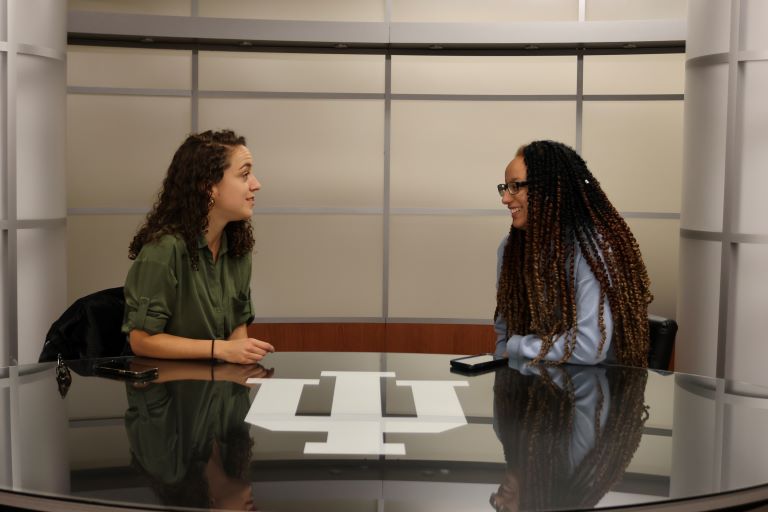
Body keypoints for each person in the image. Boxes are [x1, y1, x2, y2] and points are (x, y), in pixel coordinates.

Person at [494, 140, 652, 366]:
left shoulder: (592, 250)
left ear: (548, 189)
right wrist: (503, 374)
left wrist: (518, 346)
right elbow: (504, 331)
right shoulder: (510, 249)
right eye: (505, 187)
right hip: (536, 385)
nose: (505, 198)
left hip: (599, 390)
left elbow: (589, 347)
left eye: (515, 186)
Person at [122, 129, 274, 364]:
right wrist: (219, 349)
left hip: (218, 386)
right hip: (171, 393)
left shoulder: (237, 248)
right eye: (244, 175)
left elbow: (237, 332)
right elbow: (141, 341)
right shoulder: (163, 249)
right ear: (208, 187)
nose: (256, 184)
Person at [490, 362, 649, 511]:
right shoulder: (575, 463)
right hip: (598, 358)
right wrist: (533, 354)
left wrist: (518, 349)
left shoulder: (503, 431)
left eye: (496, 506)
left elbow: (504, 359)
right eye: (506, 510)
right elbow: (591, 383)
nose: (497, 497)